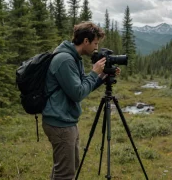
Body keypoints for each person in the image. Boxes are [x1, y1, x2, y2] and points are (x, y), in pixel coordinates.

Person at [42, 21, 119, 180]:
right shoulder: (65, 60)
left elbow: (83, 84)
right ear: (86, 41)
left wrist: (102, 77)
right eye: (95, 43)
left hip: (66, 119)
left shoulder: (74, 57)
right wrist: (93, 73)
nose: (96, 48)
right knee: (65, 174)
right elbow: (78, 93)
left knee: (66, 167)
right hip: (59, 122)